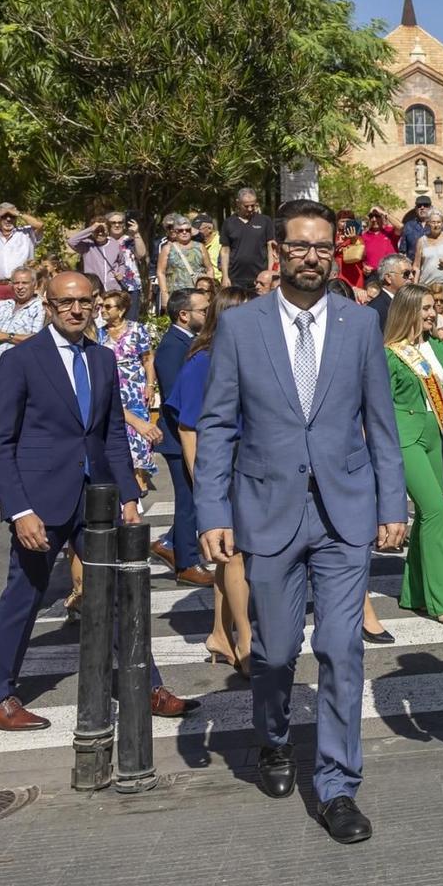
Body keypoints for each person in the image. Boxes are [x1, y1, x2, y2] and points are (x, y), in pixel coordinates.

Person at [193, 201, 406, 843]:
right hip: (267, 510)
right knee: (276, 650)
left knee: (342, 649)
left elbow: (381, 423)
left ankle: (338, 786)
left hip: (344, 511)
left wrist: (392, 505)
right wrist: (211, 511)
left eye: (322, 247)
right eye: (300, 246)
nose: (311, 256)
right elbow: (218, 423)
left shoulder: (359, 323)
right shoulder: (242, 326)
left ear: (333, 252)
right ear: (277, 253)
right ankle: (275, 737)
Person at [0, 272, 193, 733]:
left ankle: (144, 683)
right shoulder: (22, 360)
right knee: (24, 596)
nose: (76, 310)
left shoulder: (101, 358)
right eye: (65, 303)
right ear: (48, 307)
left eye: (84, 302)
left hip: (95, 498)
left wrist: (129, 496)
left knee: (116, 594)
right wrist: (19, 511)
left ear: (95, 304)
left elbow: (111, 431)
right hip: (41, 501)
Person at [169, 285, 251, 670]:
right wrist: (204, 481)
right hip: (222, 467)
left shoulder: (248, 355)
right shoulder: (203, 360)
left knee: (228, 558)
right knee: (234, 554)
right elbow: (188, 428)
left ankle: (220, 634)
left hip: (251, 467)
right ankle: (246, 641)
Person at [380, 285, 443, 626]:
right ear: (408, 311)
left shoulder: (440, 348)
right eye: (425, 308)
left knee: (427, 517)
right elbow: (378, 405)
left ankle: (414, 592)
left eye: (433, 308)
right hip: (405, 436)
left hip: (438, 435)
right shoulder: (388, 354)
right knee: (434, 510)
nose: (432, 313)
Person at [148, 287, 212, 587]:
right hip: (178, 438)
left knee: (192, 498)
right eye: (202, 309)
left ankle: (170, 543)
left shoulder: (187, 341)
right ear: (183, 315)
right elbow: (178, 400)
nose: (208, 313)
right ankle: (187, 562)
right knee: (189, 500)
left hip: (184, 435)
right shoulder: (173, 347)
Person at [94, 287, 158, 495]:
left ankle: (139, 475)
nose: (103, 310)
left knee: (138, 430)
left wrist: (150, 385)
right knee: (119, 429)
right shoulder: (99, 333)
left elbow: (148, 359)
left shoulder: (137, 329)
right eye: (102, 306)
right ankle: (121, 472)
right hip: (111, 384)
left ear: (121, 311)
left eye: (108, 306)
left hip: (134, 385)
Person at [0, 203, 40, 303]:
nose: (8, 219)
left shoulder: (26, 233)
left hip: (20, 288)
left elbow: (39, 225)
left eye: (12, 216)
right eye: (4, 216)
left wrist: (18, 213)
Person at [220, 188, 277, 289]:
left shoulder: (265, 221)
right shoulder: (228, 223)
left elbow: (270, 249)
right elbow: (225, 251)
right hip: (235, 277)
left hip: (259, 278)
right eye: (246, 206)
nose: (250, 209)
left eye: (253, 205)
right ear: (238, 203)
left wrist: (269, 273)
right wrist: (225, 276)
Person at [156, 215, 214, 307]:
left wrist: (209, 289)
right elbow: (160, 272)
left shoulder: (200, 247)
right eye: (180, 230)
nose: (184, 232)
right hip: (176, 295)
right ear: (175, 232)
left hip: (198, 293)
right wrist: (164, 294)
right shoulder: (167, 249)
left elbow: (209, 269)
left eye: (187, 230)